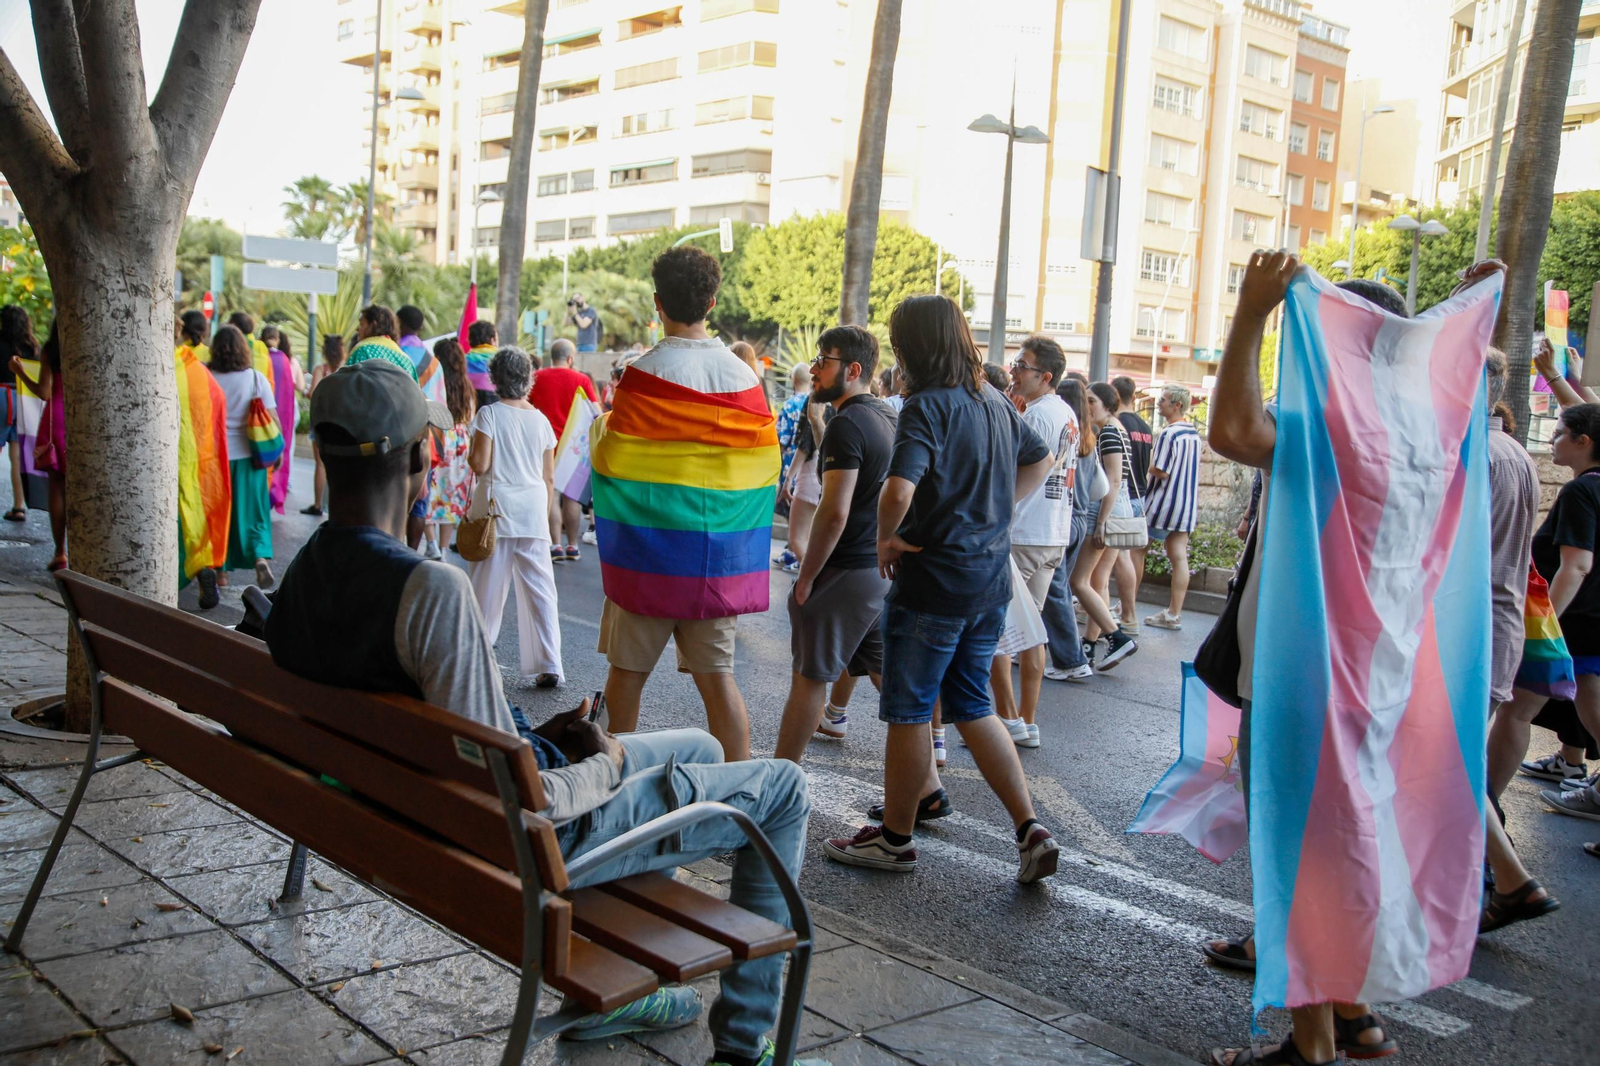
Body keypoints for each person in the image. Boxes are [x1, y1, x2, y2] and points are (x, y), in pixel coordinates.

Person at [261, 359, 820, 1066]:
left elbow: (480, 746)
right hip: (519, 848)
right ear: (419, 461)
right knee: (783, 789)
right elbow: (523, 799)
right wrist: (604, 763)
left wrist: (541, 736)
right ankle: (743, 1045)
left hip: (409, 819)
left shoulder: (305, 571)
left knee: (704, 752)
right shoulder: (429, 592)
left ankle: (621, 981)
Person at [1200, 252, 1471, 1066]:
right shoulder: (1426, 432)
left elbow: (1233, 431)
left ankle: (1311, 1044)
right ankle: (1353, 1013)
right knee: (1350, 832)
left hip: (1304, 674)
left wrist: (1252, 313)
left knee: (1301, 849)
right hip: (1380, 669)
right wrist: (1468, 307)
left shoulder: (1331, 428)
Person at [822, 294, 1060, 883]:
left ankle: (894, 840)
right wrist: (993, 513)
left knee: (908, 710)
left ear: (912, 346)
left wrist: (886, 539)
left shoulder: (926, 405)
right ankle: (1030, 829)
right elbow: (1042, 460)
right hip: (988, 578)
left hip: (932, 580)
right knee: (974, 704)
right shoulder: (994, 400)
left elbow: (898, 490)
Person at [590, 246, 777, 763]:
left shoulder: (643, 374)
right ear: (711, 302)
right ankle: (739, 793)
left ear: (658, 302)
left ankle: (611, 788)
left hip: (648, 558)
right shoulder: (745, 379)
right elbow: (762, 464)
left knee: (626, 678)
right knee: (718, 682)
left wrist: (600, 428)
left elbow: (613, 456)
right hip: (713, 562)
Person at [774, 325, 896, 763]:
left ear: (854, 370)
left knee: (809, 680)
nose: (814, 370)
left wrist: (807, 577)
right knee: (895, 691)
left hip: (845, 572)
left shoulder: (848, 424)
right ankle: (927, 786)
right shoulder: (885, 417)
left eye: (824, 362)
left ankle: (779, 779)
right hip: (877, 572)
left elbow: (834, 511)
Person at [993, 336, 1077, 747]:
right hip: (1052, 532)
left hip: (1025, 531)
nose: (1014, 371)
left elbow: (1010, 468)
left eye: (1021, 366)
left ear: (1045, 376)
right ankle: (1026, 721)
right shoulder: (1065, 411)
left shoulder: (1038, 415)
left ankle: (1008, 720)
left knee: (999, 630)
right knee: (1031, 630)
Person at [466, 346, 563, 687]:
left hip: (497, 512)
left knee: (487, 589)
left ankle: (477, 657)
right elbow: (548, 477)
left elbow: (480, 465)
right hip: (533, 510)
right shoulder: (541, 420)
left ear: (495, 378)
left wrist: (470, 451)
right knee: (541, 591)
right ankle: (550, 663)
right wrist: (542, 515)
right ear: (528, 378)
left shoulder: (489, 415)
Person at [1070, 383, 1139, 671]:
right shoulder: (1117, 429)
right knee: (1098, 581)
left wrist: (1100, 523)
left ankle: (1116, 637)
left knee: (1079, 581)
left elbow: (1113, 480)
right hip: (1116, 510)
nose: (1087, 406)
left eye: (1092, 401)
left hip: (1105, 510)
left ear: (1108, 404)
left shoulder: (1109, 432)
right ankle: (1090, 644)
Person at [206, 324, 277, 590]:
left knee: (220, 515)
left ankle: (220, 572)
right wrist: (277, 452)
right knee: (253, 513)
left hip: (215, 459)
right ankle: (259, 557)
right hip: (251, 458)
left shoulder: (207, 377)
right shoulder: (256, 379)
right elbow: (273, 419)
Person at [1041, 378, 1097, 682]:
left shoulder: (1061, 430)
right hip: (1080, 517)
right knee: (1056, 588)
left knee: (1054, 590)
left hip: (1061, 515)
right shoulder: (1086, 436)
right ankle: (1041, 648)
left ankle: (1071, 659)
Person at [174, 311, 230, 610]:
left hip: (167, 453)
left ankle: (171, 576)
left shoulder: (157, 367)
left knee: (171, 516)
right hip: (196, 453)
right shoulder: (194, 367)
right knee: (192, 511)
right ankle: (200, 566)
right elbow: (216, 399)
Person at [530, 337, 600, 562]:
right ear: (570, 358)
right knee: (571, 497)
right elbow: (596, 412)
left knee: (551, 494)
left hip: (544, 445)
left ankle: (555, 545)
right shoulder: (581, 379)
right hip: (573, 447)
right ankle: (572, 546)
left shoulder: (536, 377)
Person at [1141, 384, 1202, 630]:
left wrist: (1144, 463)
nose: (1159, 403)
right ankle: (1174, 613)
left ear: (1177, 405)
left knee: (1136, 551)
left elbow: (1161, 470)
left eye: (1163, 400)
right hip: (1185, 505)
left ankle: (1125, 608)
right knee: (1179, 557)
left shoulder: (1169, 434)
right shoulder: (1193, 433)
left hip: (1162, 503)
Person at [8, 320, 67, 570]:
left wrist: (20, 372)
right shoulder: (83, 348)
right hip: (82, 419)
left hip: (55, 422)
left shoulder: (51, 350)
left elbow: (44, 393)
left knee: (57, 487)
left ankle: (60, 552)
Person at [423, 337, 477, 559]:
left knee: (429, 490)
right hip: (460, 442)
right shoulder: (467, 386)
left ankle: (431, 544)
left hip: (438, 435)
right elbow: (470, 417)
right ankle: (444, 549)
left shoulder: (435, 380)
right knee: (451, 495)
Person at [1109, 376, 1152, 634]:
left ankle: (1127, 614)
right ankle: (1128, 608)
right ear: (1133, 396)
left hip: (1122, 495)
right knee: (1131, 556)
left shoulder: (1117, 424)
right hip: (1139, 497)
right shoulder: (1144, 426)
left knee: (1118, 559)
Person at [258, 325, 302, 516]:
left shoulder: (259, 356)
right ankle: (274, 492)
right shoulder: (284, 359)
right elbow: (288, 392)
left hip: (260, 414)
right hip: (278, 414)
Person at [779, 396, 828, 571]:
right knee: (816, 539)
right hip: (832, 475)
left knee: (798, 539)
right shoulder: (847, 404)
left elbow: (805, 445)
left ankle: (811, 577)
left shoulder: (817, 400)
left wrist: (788, 479)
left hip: (811, 473)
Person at [301, 334, 346, 518]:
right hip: (341, 422)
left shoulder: (321, 369)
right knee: (340, 464)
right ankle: (338, 506)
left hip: (321, 421)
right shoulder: (346, 368)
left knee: (320, 464)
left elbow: (313, 393)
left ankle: (318, 504)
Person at [1, 305, 37, 523]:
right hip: (23, 399)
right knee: (16, 457)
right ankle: (18, 507)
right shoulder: (31, 346)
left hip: (1, 395)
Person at [773, 364, 811, 571]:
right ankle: (793, 552)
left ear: (793, 380)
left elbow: (782, 439)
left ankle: (794, 553)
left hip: (790, 465)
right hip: (809, 468)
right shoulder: (814, 402)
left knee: (792, 512)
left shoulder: (789, 405)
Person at [397, 304, 447, 408]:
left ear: (399, 323)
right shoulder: (434, 362)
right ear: (421, 327)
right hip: (433, 414)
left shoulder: (396, 353)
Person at [345, 305, 415, 378]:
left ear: (373, 325)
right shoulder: (405, 360)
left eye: (361, 324)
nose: (357, 329)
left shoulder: (363, 350)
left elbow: (346, 381)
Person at [465, 320, 500, 409]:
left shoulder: (464, 360)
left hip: (470, 403)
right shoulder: (501, 358)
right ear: (492, 340)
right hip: (496, 403)